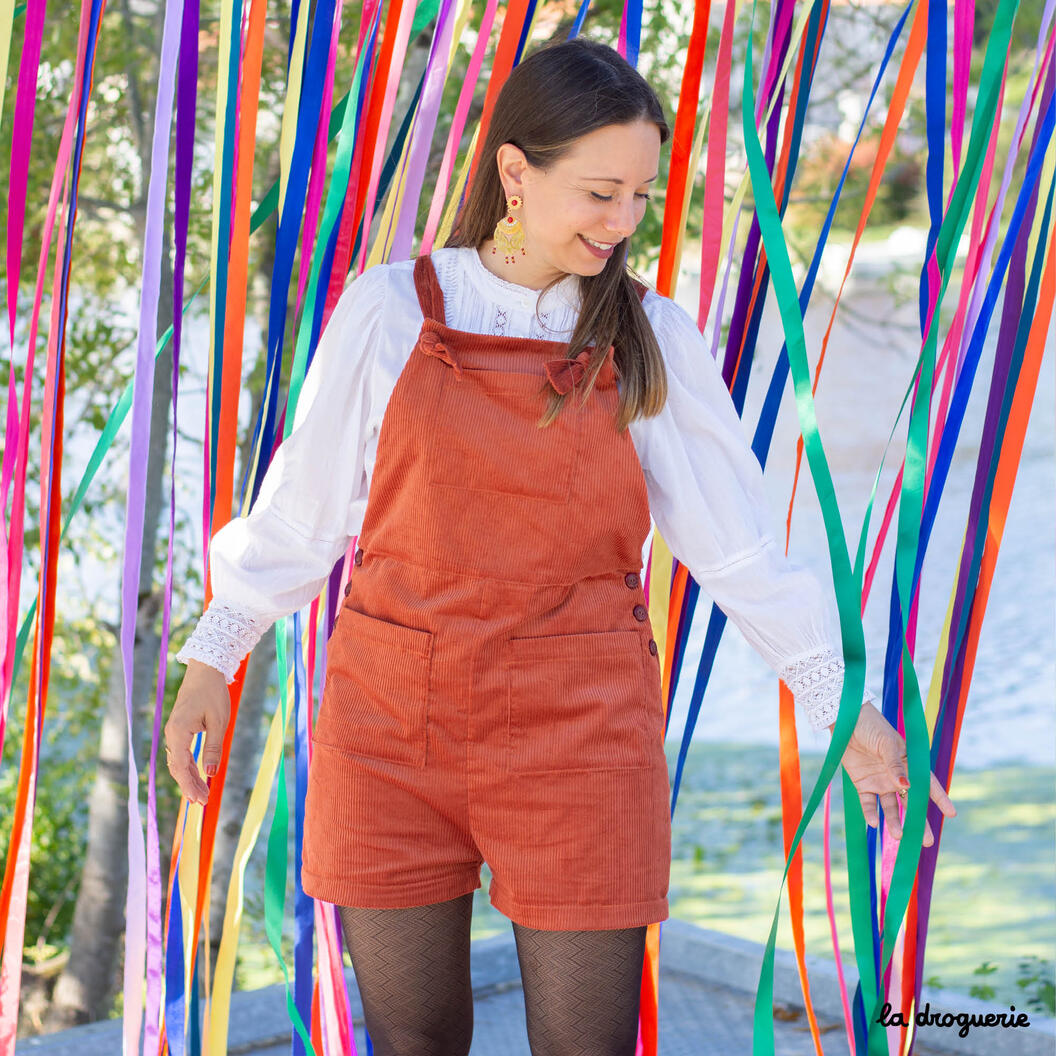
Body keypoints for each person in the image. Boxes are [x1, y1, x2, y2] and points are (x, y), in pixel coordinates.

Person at [165, 36, 956, 1056]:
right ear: (513, 173)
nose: (624, 223)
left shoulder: (650, 337)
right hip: (388, 730)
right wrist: (210, 658)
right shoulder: (389, 311)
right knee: (413, 1043)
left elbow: (738, 549)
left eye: (641, 195)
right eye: (599, 193)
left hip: (579, 739)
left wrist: (840, 708)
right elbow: (300, 519)